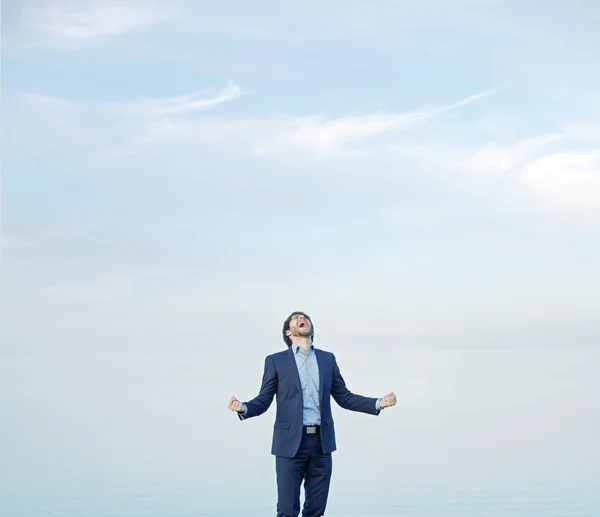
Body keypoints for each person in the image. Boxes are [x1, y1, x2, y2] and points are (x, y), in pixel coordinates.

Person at [228, 311, 396, 517]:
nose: (302, 318)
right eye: (296, 318)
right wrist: (244, 408)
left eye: (304, 317)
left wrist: (378, 403)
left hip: (321, 445)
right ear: (288, 332)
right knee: (287, 510)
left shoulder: (327, 359)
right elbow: (264, 400)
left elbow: (344, 397)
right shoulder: (275, 361)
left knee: (316, 510)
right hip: (289, 445)